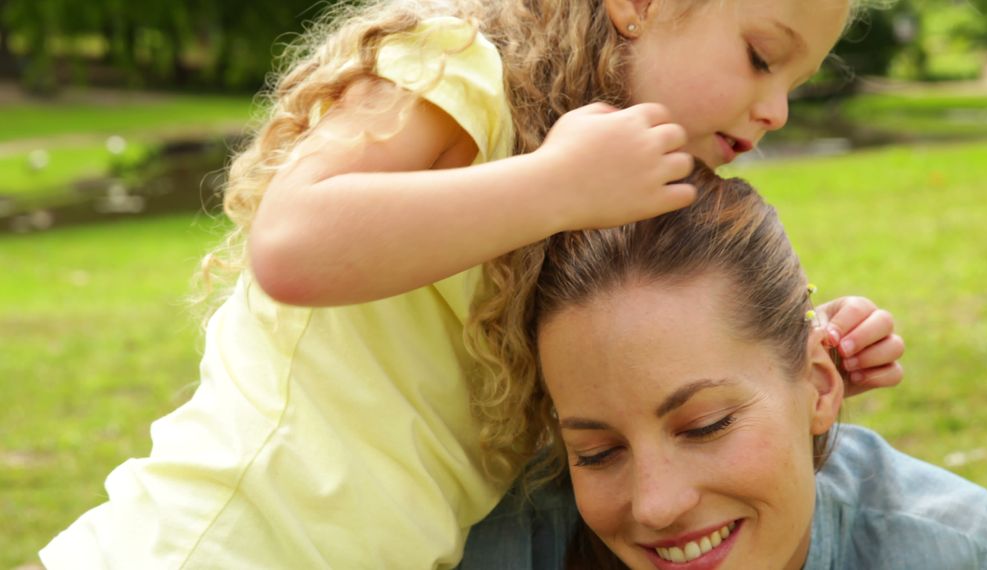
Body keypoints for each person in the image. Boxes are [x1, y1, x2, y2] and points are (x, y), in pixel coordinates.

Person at [41, 1, 904, 568]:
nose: (777, 108)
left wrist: (798, 356)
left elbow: (635, 360)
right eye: (761, 57)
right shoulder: (463, 69)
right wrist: (558, 186)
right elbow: (293, 243)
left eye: (796, 82)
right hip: (223, 545)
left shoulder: (591, 180)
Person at [461, 165, 987, 569]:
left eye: (706, 426)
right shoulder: (505, 546)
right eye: (597, 454)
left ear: (820, 386)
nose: (656, 506)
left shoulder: (940, 547)